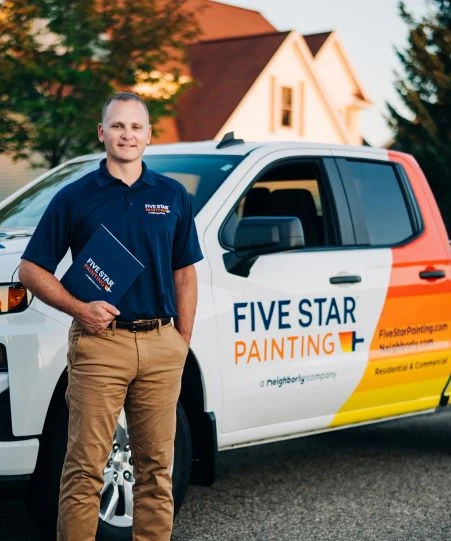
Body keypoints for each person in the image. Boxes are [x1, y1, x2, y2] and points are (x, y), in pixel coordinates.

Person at [19, 92, 203, 541]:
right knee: (84, 469)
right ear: (102, 133)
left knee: (157, 471)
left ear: (148, 135)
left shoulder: (172, 195)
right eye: (118, 126)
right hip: (100, 345)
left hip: (162, 346)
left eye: (136, 127)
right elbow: (30, 269)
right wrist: (80, 308)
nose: (127, 135)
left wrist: (181, 340)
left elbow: (185, 273)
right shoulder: (75, 197)